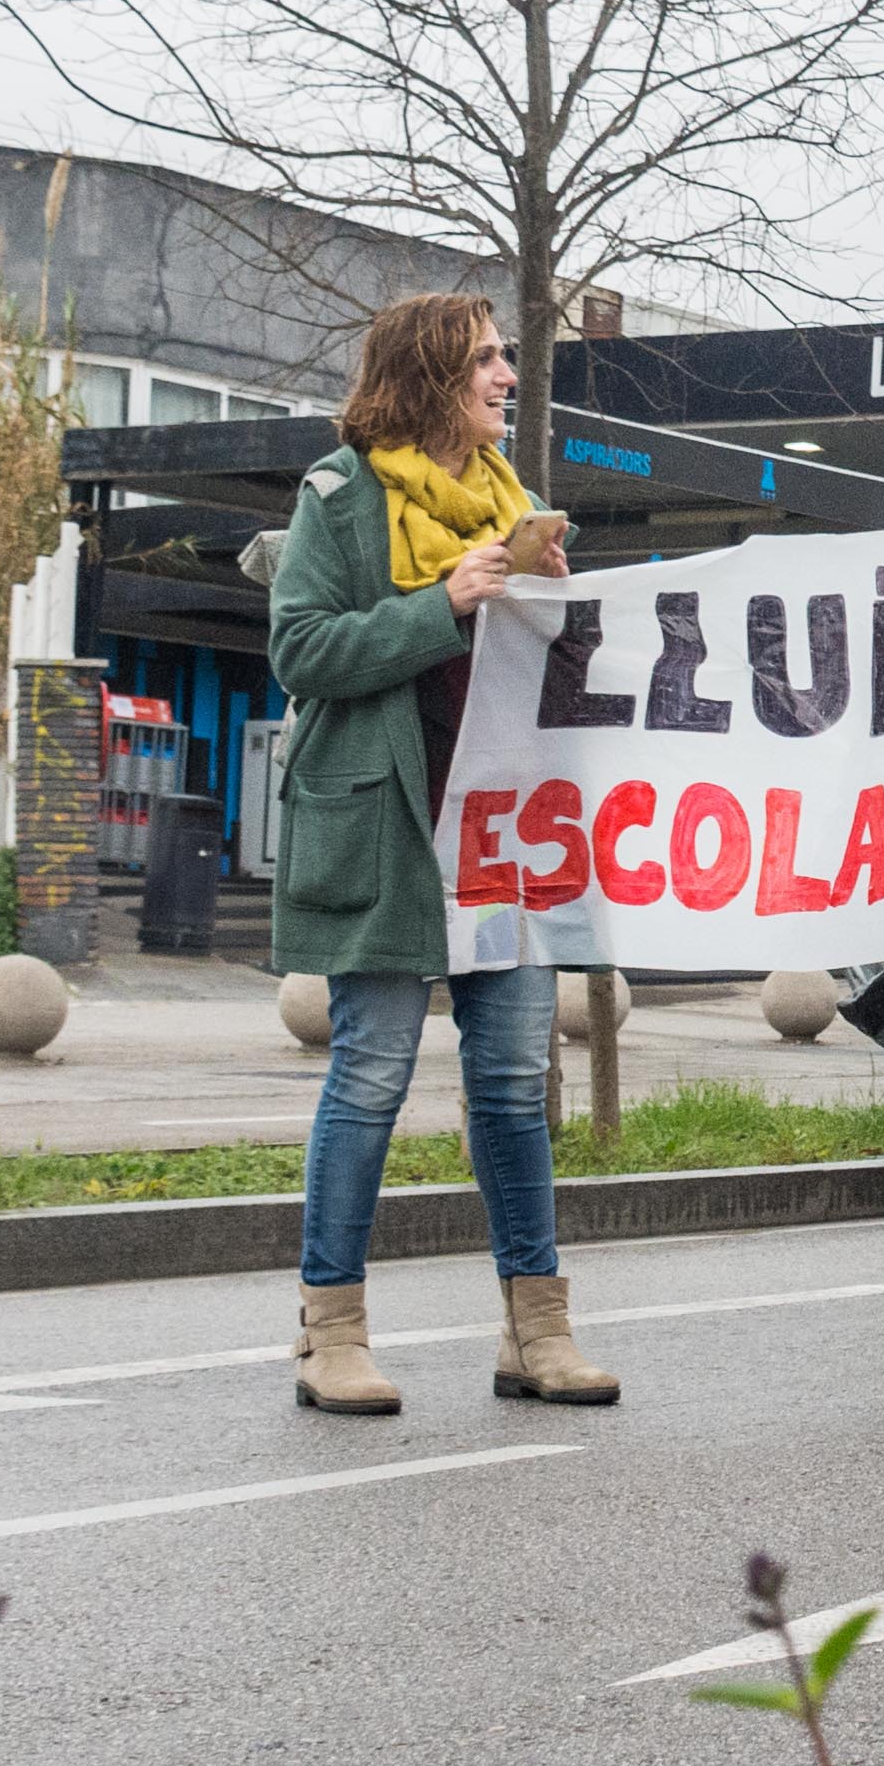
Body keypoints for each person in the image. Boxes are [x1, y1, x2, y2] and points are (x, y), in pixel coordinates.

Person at [266, 291, 611, 1421]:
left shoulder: (515, 507)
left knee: (513, 1083)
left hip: (503, 834)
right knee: (369, 1071)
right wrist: (441, 602)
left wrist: (562, 609)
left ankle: (537, 1329)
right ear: (428, 376)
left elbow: (556, 681)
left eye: (508, 359)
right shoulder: (344, 496)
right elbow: (303, 648)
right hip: (390, 827)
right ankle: (331, 1331)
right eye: (486, 361)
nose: (507, 376)